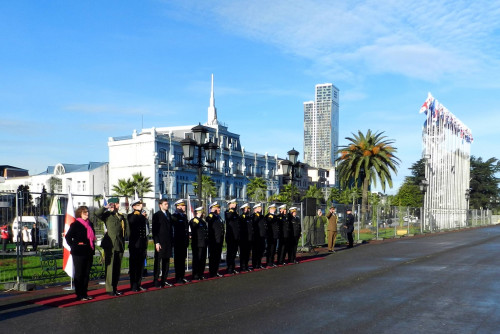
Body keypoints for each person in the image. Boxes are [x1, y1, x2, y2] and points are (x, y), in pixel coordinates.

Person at [95, 197, 129, 296]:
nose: (117, 205)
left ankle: (115, 287)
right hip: (110, 245)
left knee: (117, 267)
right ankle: (109, 289)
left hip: (119, 244)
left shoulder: (121, 216)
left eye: (117, 204)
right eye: (115, 204)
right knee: (110, 267)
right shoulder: (107, 215)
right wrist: (105, 207)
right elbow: (97, 214)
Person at [65, 206, 96, 301]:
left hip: (88, 251)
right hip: (78, 252)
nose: (87, 214)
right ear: (80, 214)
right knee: (79, 273)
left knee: (86, 273)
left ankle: (85, 293)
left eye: (87, 212)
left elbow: (92, 236)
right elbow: (68, 237)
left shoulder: (90, 223)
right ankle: (79, 294)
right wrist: (75, 246)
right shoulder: (75, 224)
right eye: (84, 212)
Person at [128, 198, 149, 292]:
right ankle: (133, 285)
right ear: (134, 207)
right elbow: (132, 222)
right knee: (134, 266)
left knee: (140, 266)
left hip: (142, 244)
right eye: (139, 205)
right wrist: (141, 216)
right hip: (135, 244)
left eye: (141, 205)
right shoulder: (132, 216)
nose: (141, 206)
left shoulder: (141, 216)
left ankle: (139, 283)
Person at [152, 199, 173, 288]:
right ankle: (156, 280)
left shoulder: (168, 214)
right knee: (158, 261)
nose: (167, 205)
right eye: (165, 204)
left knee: (166, 261)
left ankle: (164, 279)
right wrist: (156, 242)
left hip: (168, 242)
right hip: (160, 242)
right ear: (160, 205)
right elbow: (154, 230)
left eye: (167, 204)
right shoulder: (157, 215)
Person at [171, 199, 190, 284]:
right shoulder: (174, 216)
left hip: (184, 241)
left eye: (184, 205)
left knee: (183, 260)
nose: (184, 207)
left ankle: (182, 276)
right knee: (178, 260)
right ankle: (178, 277)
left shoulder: (184, 216)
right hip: (178, 241)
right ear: (177, 206)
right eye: (182, 205)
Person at [189, 206, 208, 280]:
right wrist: (197, 218)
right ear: (197, 212)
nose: (202, 213)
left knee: (203, 259)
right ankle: (195, 274)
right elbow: (193, 226)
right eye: (200, 212)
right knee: (197, 259)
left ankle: (201, 273)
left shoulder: (203, 221)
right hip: (197, 243)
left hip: (203, 242)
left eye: (202, 212)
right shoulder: (193, 220)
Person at [206, 201, 224, 278]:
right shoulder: (211, 216)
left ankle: (216, 271)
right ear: (213, 209)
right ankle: (212, 272)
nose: (219, 209)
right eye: (217, 208)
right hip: (213, 240)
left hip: (219, 239)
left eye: (219, 208)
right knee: (213, 257)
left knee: (217, 257)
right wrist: (212, 213)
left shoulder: (219, 217)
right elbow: (207, 219)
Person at [225, 199, 240, 274]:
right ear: (230, 204)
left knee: (234, 253)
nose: (235, 205)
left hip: (236, 236)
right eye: (233, 203)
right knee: (230, 253)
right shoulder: (228, 212)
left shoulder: (236, 213)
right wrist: (231, 209)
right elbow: (228, 217)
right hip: (230, 236)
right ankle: (229, 268)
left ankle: (233, 267)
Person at [251, 203, 266, 269]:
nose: (261, 209)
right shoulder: (253, 216)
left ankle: (259, 263)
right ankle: (255, 264)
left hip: (262, 236)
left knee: (261, 250)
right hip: (256, 236)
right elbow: (254, 223)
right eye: (259, 208)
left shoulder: (262, 216)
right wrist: (256, 215)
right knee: (255, 251)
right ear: (255, 209)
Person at [238, 203, 252, 272]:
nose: (248, 210)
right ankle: (242, 266)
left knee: (247, 253)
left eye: (248, 209)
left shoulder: (249, 218)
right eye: (247, 209)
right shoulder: (241, 217)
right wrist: (244, 213)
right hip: (243, 238)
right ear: (244, 209)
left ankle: (246, 266)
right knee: (243, 253)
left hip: (249, 238)